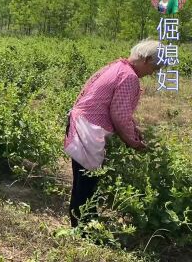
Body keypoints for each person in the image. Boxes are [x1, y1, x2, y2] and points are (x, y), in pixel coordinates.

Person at [64, 39, 164, 229]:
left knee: (83, 180)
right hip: (88, 130)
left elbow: (119, 110)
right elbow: (119, 115)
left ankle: (81, 225)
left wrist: (133, 128)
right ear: (146, 59)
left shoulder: (117, 66)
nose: (154, 72)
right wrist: (134, 142)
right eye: (155, 67)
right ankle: (83, 229)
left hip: (81, 125)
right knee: (87, 182)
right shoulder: (129, 77)